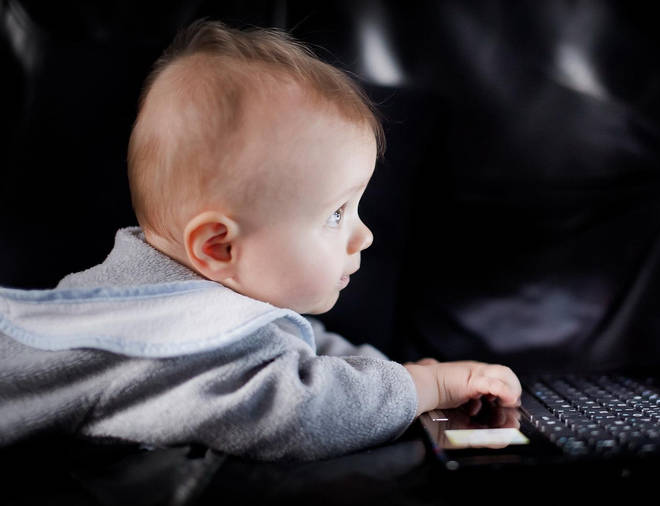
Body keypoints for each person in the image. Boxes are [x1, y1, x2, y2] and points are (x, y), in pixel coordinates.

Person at [0, 19, 521, 461]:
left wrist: (393, 375)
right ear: (219, 247)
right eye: (336, 213)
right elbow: (299, 413)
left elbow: (293, 344)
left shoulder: (196, 299)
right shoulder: (166, 338)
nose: (364, 235)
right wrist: (423, 388)